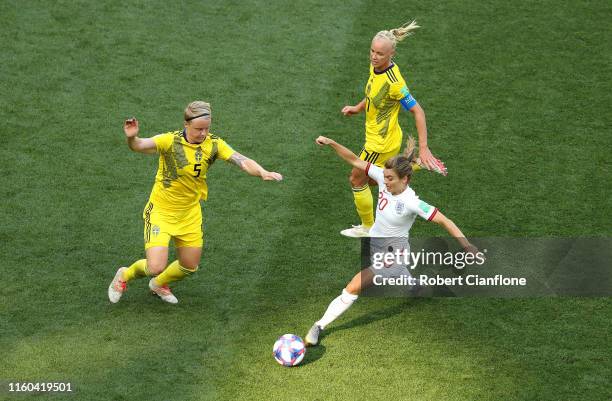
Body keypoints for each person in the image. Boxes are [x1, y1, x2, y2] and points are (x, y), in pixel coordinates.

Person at [304, 135, 476, 346]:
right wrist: (332, 143)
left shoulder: (412, 202)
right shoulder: (383, 178)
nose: (384, 182)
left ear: (405, 179)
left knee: (353, 287)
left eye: (390, 179)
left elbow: (445, 221)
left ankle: (319, 326)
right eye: (384, 177)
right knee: (404, 280)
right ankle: (418, 286)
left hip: (393, 255)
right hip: (377, 245)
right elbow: (354, 160)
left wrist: (467, 246)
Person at [108, 101, 282, 304]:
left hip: (190, 214)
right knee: (155, 266)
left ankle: (158, 284)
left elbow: (240, 160)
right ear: (186, 124)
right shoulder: (169, 141)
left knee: (189, 266)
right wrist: (132, 137)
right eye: (199, 129)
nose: (203, 133)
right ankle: (124, 275)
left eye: (207, 128)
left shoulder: (214, 144)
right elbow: (139, 146)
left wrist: (262, 172)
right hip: (161, 213)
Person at [341, 20, 447, 238]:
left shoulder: (395, 82)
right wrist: (358, 108)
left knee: (356, 178)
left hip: (379, 143)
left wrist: (424, 147)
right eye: (372, 51)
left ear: (392, 53)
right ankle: (417, 165)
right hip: (385, 137)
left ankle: (368, 227)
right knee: (374, 180)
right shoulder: (375, 67)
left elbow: (418, 111)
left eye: (380, 53)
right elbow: (373, 93)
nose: (373, 56)